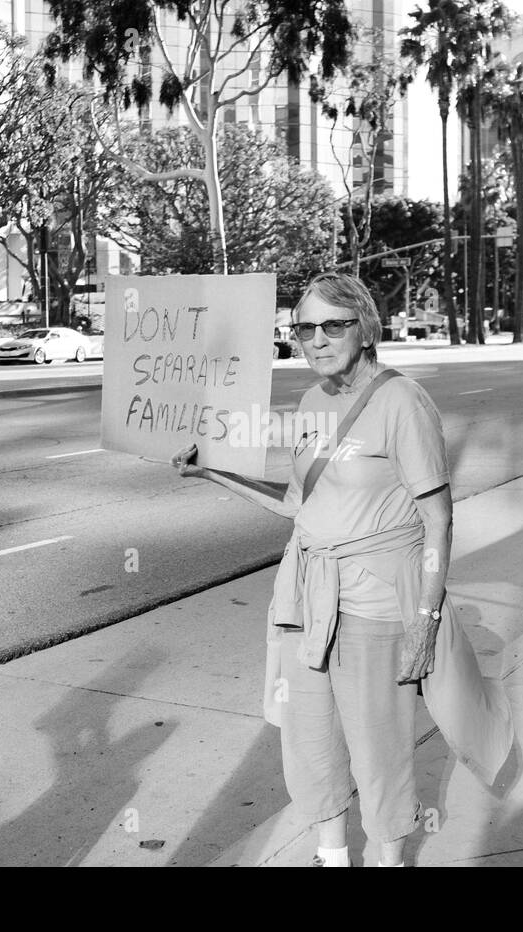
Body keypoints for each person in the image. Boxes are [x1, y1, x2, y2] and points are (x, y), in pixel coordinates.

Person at [172, 272, 459, 867]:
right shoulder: (310, 401)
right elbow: (299, 506)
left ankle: (390, 858)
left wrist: (425, 623)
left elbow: (439, 520)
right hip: (307, 596)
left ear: (367, 326)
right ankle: (331, 856)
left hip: (376, 598)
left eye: (334, 324)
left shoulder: (402, 400)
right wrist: (214, 474)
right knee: (312, 738)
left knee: (378, 745)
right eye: (305, 327)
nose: (318, 339)